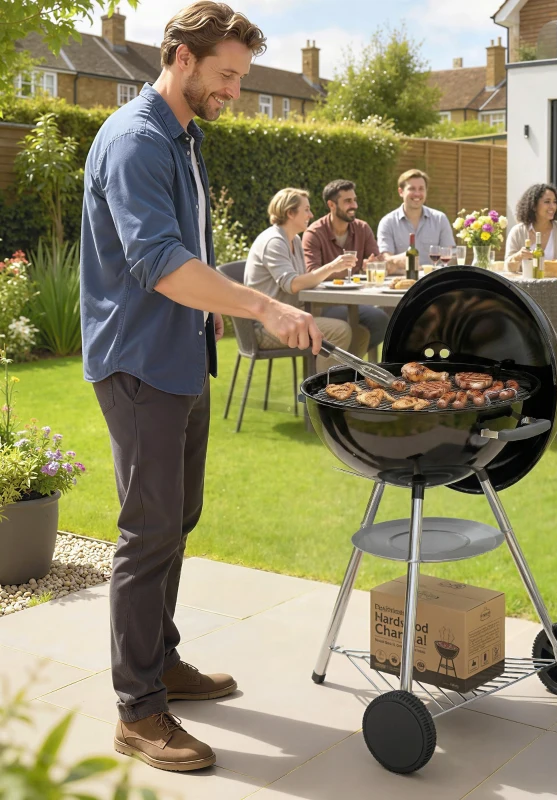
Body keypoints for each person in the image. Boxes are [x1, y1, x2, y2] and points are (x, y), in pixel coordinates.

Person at [80, 2, 322, 772]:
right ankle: (137, 710)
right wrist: (262, 305)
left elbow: (187, 254)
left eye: (242, 78)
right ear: (181, 58)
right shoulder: (136, 141)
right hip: (138, 363)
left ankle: (162, 663)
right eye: (226, 75)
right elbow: (158, 263)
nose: (235, 91)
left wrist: (212, 312)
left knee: (178, 518)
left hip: (179, 355)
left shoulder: (185, 137)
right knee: (147, 531)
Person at [246, 188, 369, 365]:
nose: (311, 215)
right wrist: (333, 266)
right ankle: (323, 390)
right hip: (269, 325)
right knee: (340, 331)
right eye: (306, 210)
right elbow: (293, 284)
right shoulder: (274, 242)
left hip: (291, 315)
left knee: (361, 333)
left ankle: (344, 382)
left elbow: (304, 280)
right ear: (290, 213)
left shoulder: (294, 239)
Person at [303, 179, 388, 351]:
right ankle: (345, 367)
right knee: (367, 320)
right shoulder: (314, 233)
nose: (354, 205)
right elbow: (312, 273)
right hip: (325, 305)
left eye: (354, 200)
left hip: (357, 300)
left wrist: (372, 264)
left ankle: (350, 367)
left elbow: (378, 261)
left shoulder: (362, 228)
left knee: (381, 321)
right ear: (331, 205)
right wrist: (339, 269)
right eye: (347, 201)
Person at [377, 169, 456, 272]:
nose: (417, 194)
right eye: (412, 189)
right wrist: (398, 260)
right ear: (401, 192)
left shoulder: (440, 219)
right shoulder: (387, 222)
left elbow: (451, 257)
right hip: (401, 283)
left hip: (433, 283)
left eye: (421, 189)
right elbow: (385, 259)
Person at [504, 183, 557, 270]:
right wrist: (518, 256)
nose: (552, 206)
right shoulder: (518, 232)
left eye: (555, 202)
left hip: (556, 283)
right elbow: (507, 268)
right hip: (524, 283)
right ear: (534, 206)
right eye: (547, 202)